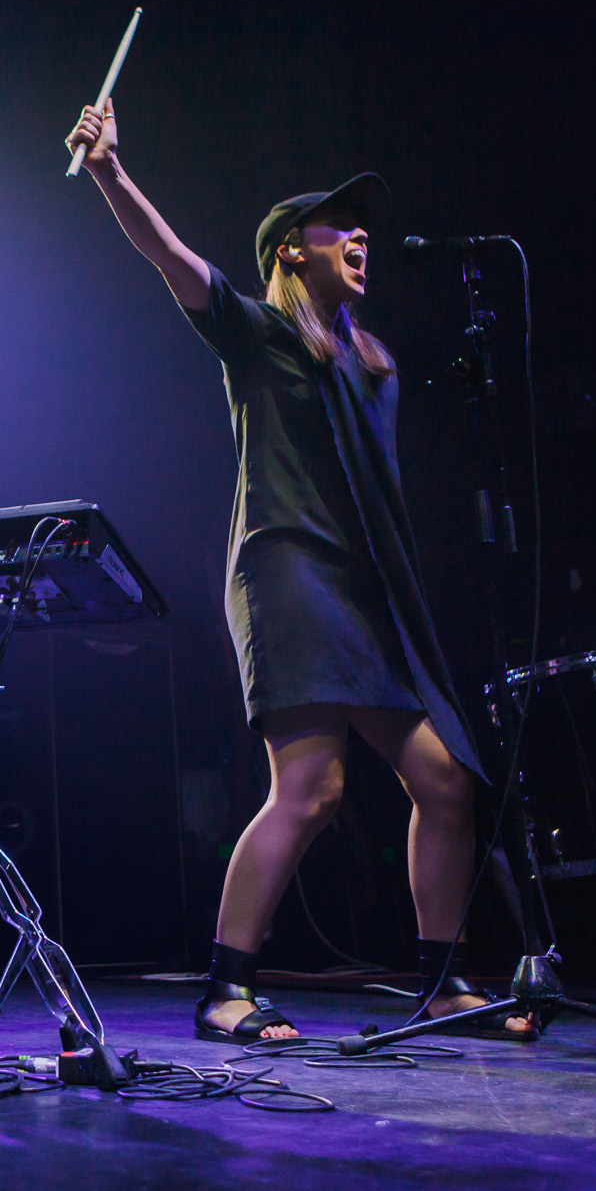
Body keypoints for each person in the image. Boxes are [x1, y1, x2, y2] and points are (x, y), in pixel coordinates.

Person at [65, 100, 532, 1043]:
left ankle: (442, 984)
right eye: (338, 225)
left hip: (364, 595)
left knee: (446, 783)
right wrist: (111, 172)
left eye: (364, 227)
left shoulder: (374, 367)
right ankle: (225, 988)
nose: (361, 236)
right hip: (288, 576)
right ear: (291, 250)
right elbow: (170, 257)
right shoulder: (258, 336)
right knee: (313, 788)